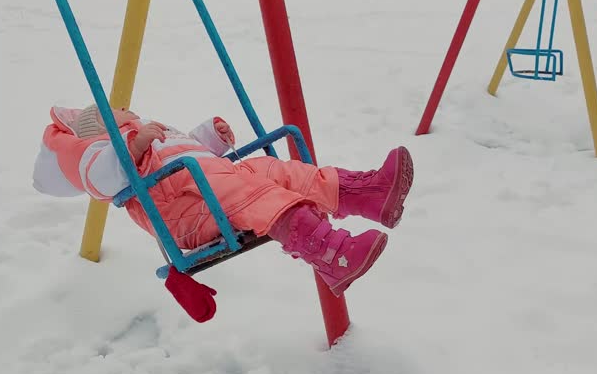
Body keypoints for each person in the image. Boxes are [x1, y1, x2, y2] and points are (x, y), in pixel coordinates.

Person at [32, 104, 414, 297]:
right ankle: (332, 254)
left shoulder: (156, 134)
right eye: (118, 117)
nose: (129, 114)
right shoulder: (108, 154)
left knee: (275, 171)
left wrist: (211, 136)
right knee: (252, 193)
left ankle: (369, 195)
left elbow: (198, 154)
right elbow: (101, 178)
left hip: (212, 185)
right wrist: (133, 145)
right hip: (187, 216)